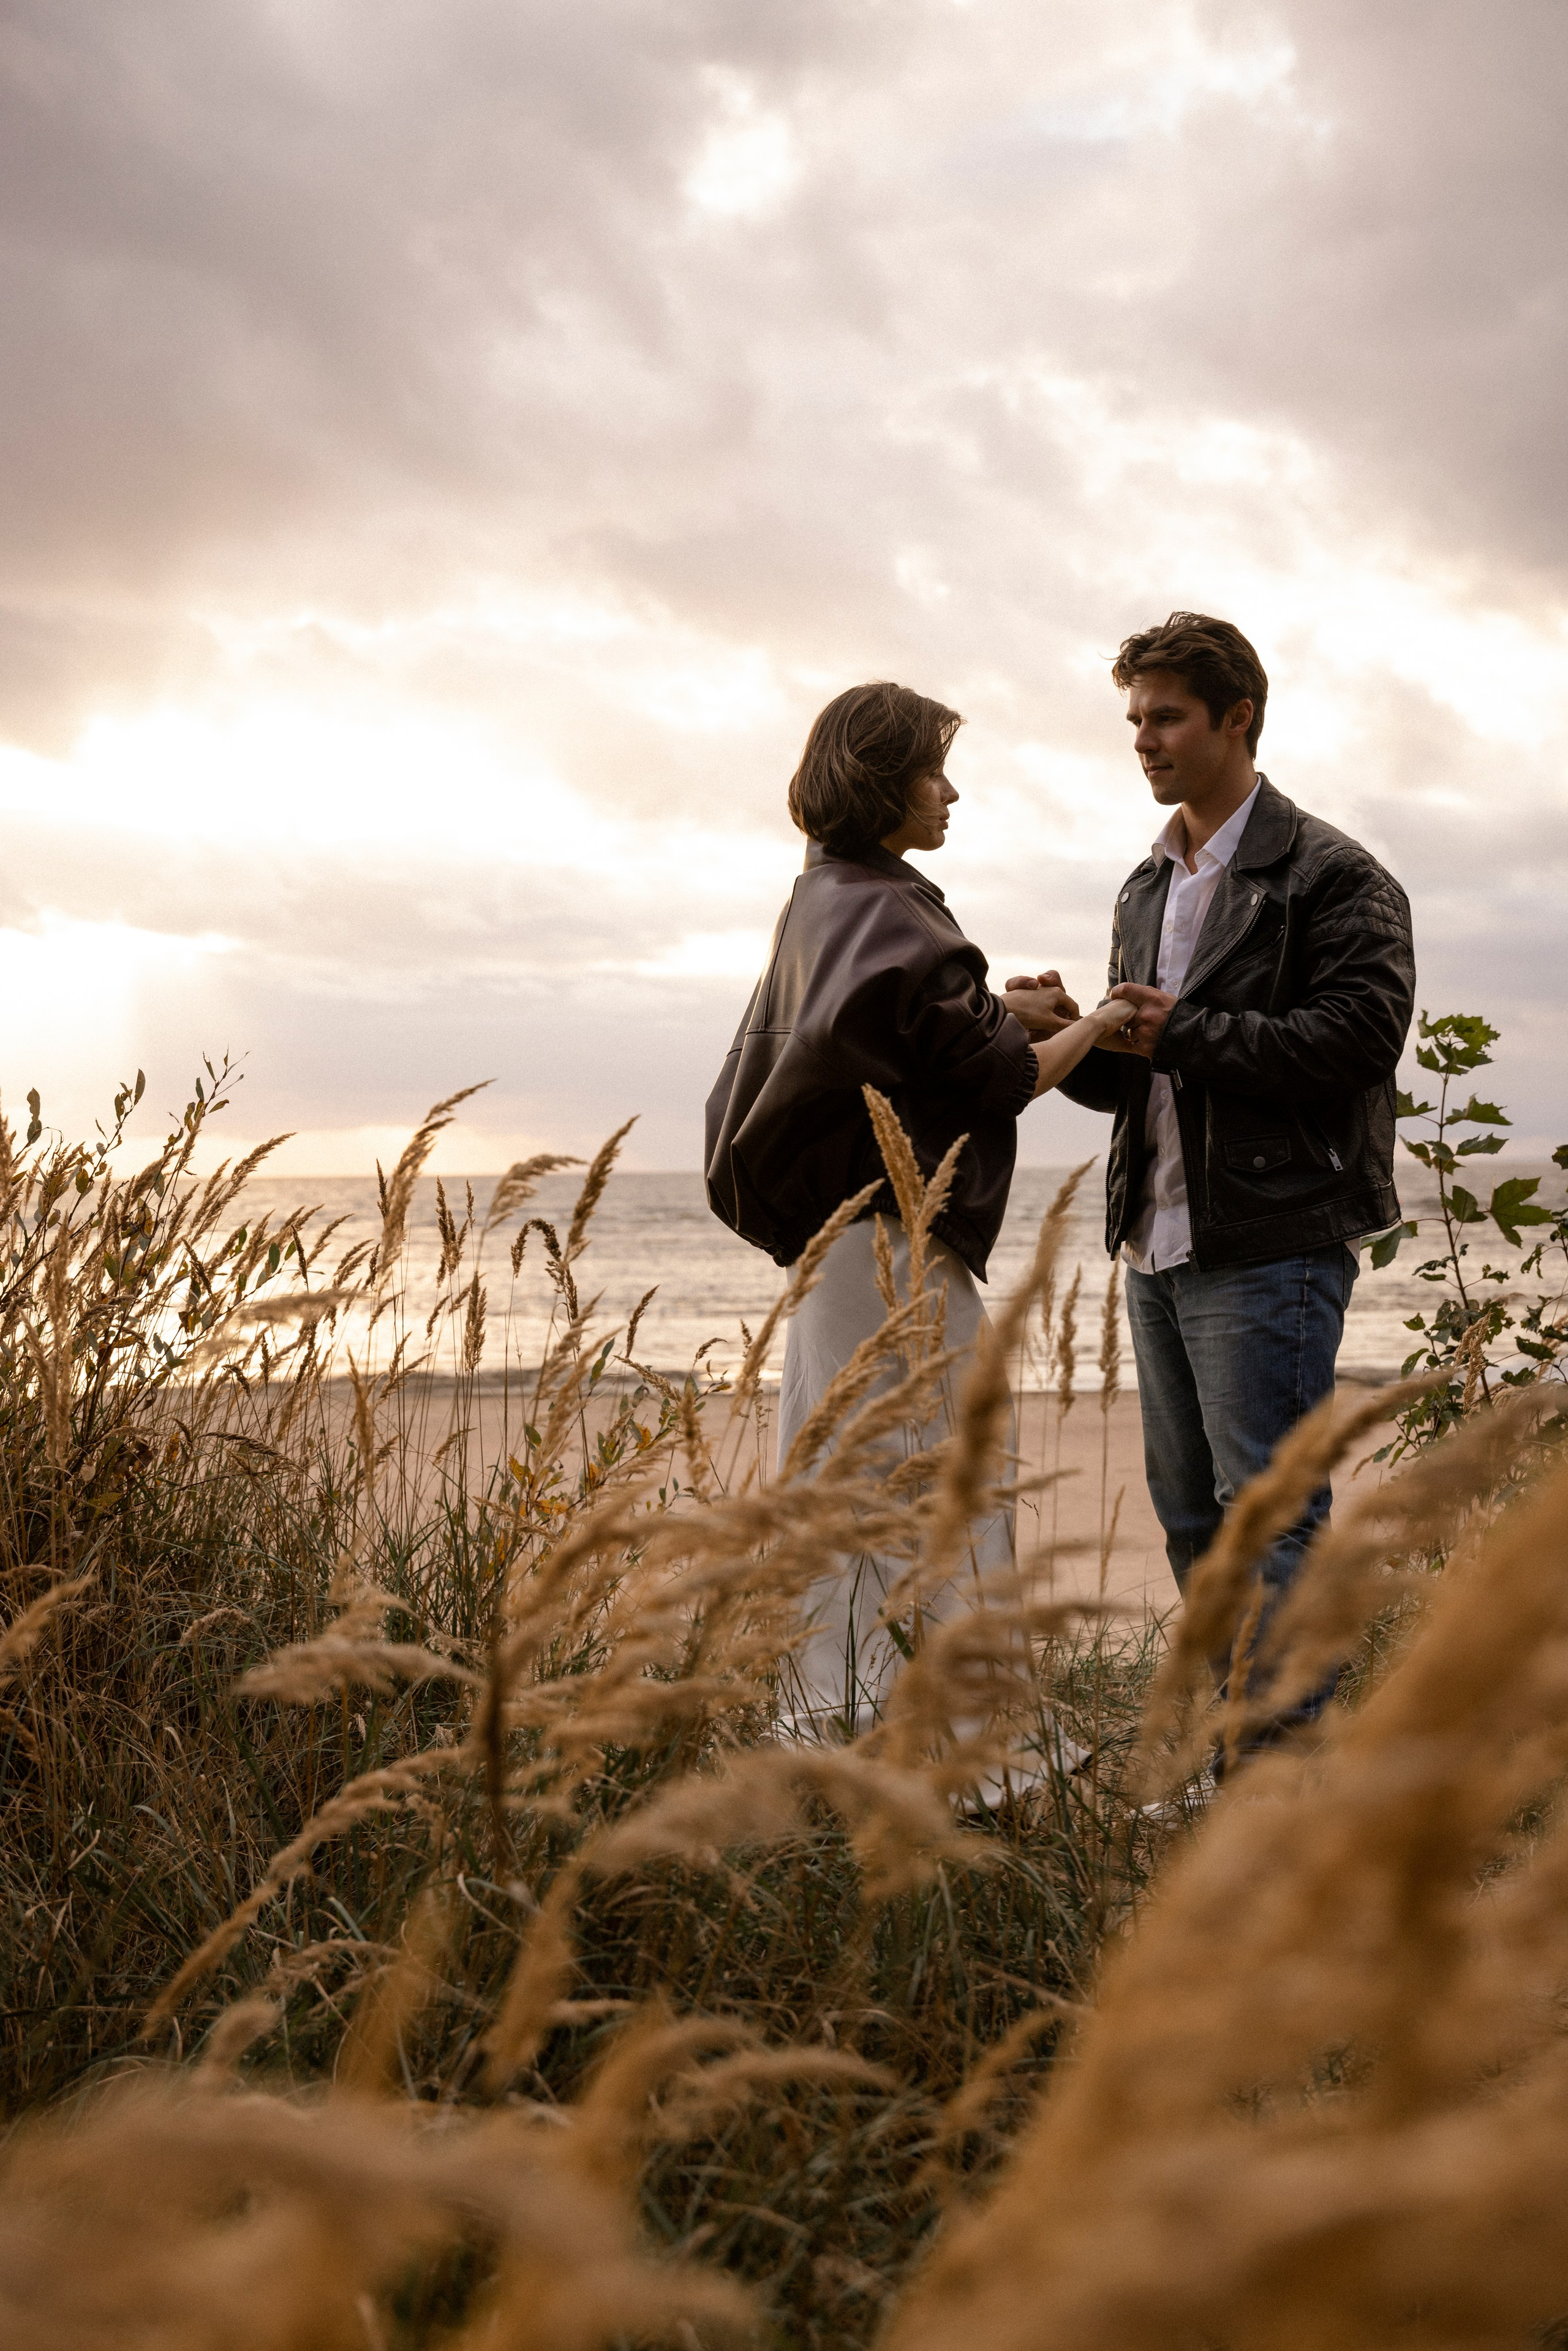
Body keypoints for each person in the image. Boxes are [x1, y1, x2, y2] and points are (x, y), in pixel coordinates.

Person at [1005, 614, 1414, 1767]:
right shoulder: (1145, 884)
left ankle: (1277, 1778)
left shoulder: (1332, 874)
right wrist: (1076, 1031)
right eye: (1135, 718)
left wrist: (1179, 1029)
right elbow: (1148, 1082)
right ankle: (1234, 1748)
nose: (1144, 738)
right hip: (1158, 1239)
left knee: (1269, 1519)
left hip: (1273, 1241)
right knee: (1192, 1516)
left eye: (1168, 716)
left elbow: (1357, 1040)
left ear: (1239, 718)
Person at [704, 681, 1132, 1747]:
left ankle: (841, 1717)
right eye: (933, 771)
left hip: (833, 1248)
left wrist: (1004, 1007)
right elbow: (1003, 1080)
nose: (952, 791)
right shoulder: (895, 909)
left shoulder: (825, 896)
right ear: (881, 781)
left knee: (843, 1474)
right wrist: (1100, 1022)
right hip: (894, 1248)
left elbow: (900, 1037)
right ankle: (952, 1738)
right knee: (935, 1467)